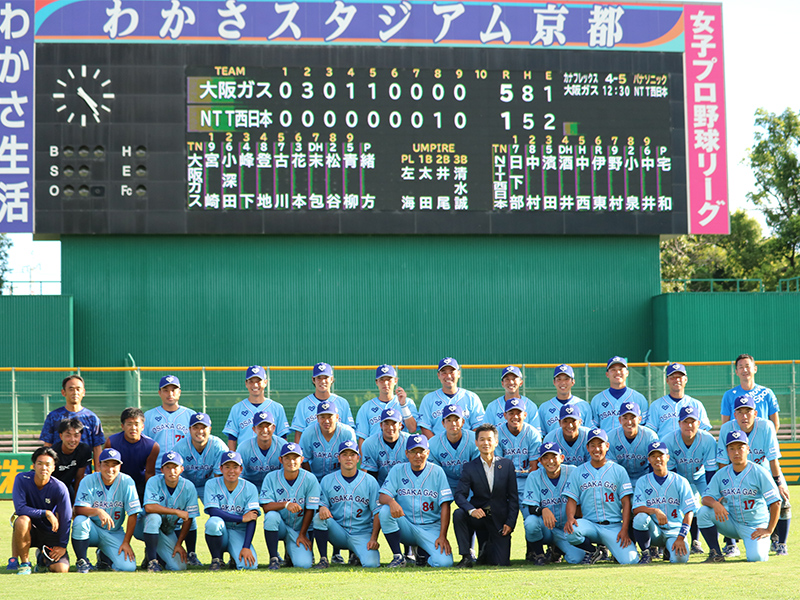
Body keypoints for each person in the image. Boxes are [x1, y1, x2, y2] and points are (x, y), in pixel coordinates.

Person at [716, 394, 791, 556]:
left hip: (764, 473)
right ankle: (730, 544)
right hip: (735, 474)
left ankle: (780, 543)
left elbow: (773, 460)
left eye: (748, 411)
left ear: (755, 413)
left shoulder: (766, 426)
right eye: (740, 412)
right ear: (734, 414)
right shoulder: (726, 428)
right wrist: (722, 488)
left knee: (783, 499)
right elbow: (722, 461)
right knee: (726, 502)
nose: (744, 416)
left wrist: (779, 482)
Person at [698, 431, 781, 563]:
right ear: (727, 451)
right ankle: (716, 553)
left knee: (757, 558)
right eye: (732, 449)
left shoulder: (759, 471)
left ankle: (761, 543)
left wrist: (769, 530)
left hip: (755, 526)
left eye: (740, 448)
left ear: (748, 449)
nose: (736, 452)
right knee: (703, 512)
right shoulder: (721, 474)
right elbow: (705, 498)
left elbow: (775, 502)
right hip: (731, 522)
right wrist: (715, 504)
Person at [563, 428, 638, 565]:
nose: (596, 449)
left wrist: (624, 529)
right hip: (590, 525)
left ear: (607, 447)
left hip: (613, 526)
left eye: (600, 445)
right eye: (593, 445)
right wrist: (570, 518)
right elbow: (572, 500)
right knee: (571, 531)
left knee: (631, 561)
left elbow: (626, 503)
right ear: (587, 448)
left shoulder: (618, 470)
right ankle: (594, 551)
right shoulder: (579, 471)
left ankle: (612, 550)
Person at [379, 434, 454, 568]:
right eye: (413, 451)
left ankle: (423, 553)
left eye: (421, 451)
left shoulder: (437, 472)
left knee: (444, 563)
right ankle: (398, 557)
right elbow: (383, 496)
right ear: (407, 453)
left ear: (428, 453)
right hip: (406, 526)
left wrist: (443, 536)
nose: (417, 455)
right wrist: (392, 502)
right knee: (385, 511)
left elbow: (445, 505)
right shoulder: (398, 470)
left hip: (431, 527)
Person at [453, 423, 518, 567]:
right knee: (459, 514)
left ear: (496, 442)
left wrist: (510, 523)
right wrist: (472, 510)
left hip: (499, 520)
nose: (485, 443)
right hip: (479, 516)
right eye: (482, 439)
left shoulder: (507, 465)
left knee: (500, 563)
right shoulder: (469, 467)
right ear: (476, 443)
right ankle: (465, 556)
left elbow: (513, 498)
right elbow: (459, 495)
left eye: (489, 439)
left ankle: (486, 549)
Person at [71, 448, 142, 573]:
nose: (110, 469)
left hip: (114, 532)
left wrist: (126, 542)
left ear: (120, 466)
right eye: (106, 464)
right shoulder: (88, 480)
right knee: (80, 521)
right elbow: (78, 509)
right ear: (99, 465)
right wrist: (97, 511)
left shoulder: (126, 481)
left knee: (128, 567)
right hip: (92, 529)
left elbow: (133, 514)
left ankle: (104, 556)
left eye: (114, 465)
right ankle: (82, 561)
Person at [313, 440, 381, 568]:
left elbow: (377, 512)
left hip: (362, 534)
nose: (348, 458)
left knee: (372, 564)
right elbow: (321, 503)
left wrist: (373, 538)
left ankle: (356, 553)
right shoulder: (328, 480)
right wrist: (322, 507)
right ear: (338, 458)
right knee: (319, 518)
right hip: (337, 532)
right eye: (344, 455)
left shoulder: (370, 481)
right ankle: (323, 558)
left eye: (352, 454)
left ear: (358, 458)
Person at [661, 406, 718, 554]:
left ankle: (708, 543)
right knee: (678, 505)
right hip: (678, 476)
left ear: (699, 423)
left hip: (700, 476)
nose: (689, 425)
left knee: (711, 502)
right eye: (685, 421)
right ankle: (669, 541)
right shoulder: (669, 440)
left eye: (692, 421)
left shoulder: (707, 439)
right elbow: (670, 473)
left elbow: (711, 471)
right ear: (679, 423)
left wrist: (710, 495)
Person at [172, 412, 227, 565]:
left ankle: (219, 556)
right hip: (186, 484)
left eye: (203, 427)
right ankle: (191, 554)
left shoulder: (218, 446)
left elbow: (218, 479)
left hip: (209, 484)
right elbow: (175, 475)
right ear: (189, 430)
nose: (200, 431)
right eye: (196, 427)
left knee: (218, 515)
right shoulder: (181, 447)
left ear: (210, 429)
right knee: (187, 514)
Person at [632, 442, 697, 564]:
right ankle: (646, 553)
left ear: (667, 457)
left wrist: (681, 538)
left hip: (674, 531)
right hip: (653, 530)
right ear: (649, 459)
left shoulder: (680, 481)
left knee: (680, 559)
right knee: (640, 518)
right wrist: (655, 511)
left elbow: (689, 512)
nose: (657, 459)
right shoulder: (643, 481)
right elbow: (636, 509)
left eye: (661, 455)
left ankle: (669, 548)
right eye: (653, 456)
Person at [10, 447, 72, 574]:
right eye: (40, 464)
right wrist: (46, 513)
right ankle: (25, 564)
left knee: (61, 569)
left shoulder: (59, 487)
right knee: (22, 520)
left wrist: (62, 546)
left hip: (51, 532)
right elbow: (20, 508)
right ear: (33, 465)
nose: (44, 468)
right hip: (30, 529)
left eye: (48, 464)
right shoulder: (21, 479)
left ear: (54, 468)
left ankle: (42, 559)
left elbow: (66, 518)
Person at [260, 443, 320, 570]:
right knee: (271, 516)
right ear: (280, 460)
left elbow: (311, 509)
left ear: (302, 460)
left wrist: (303, 534)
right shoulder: (271, 477)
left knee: (304, 564)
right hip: (280, 525)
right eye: (287, 458)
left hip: (298, 529)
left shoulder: (310, 479)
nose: (291, 461)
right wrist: (285, 504)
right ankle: (273, 558)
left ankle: (290, 553)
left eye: (295, 457)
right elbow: (266, 507)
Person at [523, 442, 584, 565]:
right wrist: (543, 510)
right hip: (546, 528)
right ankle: (539, 555)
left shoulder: (573, 472)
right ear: (540, 460)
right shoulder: (534, 476)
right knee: (530, 522)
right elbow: (531, 507)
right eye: (546, 458)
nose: (550, 461)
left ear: (561, 458)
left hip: (567, 528)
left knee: (577, 558)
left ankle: (557, 550)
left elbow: (582, 502)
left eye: (554, 457)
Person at [142, 452, 199, 572]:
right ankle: (152, 562)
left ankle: (153, 553)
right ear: (162, 469)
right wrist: (176, 512)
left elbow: (189, 519)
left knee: (179, 567)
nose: (171, 471)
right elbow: (149, 507)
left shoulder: (188, 487)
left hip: (167, 530)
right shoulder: (154, 481)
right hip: (144, 526)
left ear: (181, 469)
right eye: (168, 467)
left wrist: (179, 544)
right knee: (154, 518)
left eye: (175, 467)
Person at [203, 451, 260, 571]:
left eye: (235, 467)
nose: (231, 471)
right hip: (221, 530)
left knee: (249, 566)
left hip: (239, 532)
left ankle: (235, 557)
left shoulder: (250, 488)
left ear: (241, 469)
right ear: (221, 468)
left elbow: (252, 518)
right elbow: (213, 511)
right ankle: (216, 559)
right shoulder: (211, 484)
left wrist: (246, 547)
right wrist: (241, 518)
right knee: (213, 523)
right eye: (227, 467)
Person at [40, 375, 105, 468]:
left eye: (78, 389)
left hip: (84, 473)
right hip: (59, 472)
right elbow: (47, 445)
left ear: (84, 392)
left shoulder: (92, 418)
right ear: (63, 392)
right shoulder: (53, 417)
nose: (75, 392)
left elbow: (97, 447)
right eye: (71, 389)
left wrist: (98, 472)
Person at [223, 365, 290, 452]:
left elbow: (283, 437)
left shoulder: (277, 408)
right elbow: (232, 438)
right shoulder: (237, 408)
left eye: (258, 381)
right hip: (244, 456)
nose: (255, 385)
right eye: (251, 381)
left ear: (265, 382)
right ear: (246, 383)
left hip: (272, 458)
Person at [417, 357, 485, 438]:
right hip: (437, 449)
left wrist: (467, 444)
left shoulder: (472, 398)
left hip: (468, 448)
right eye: (444, 372)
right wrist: (437, 445)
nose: (448, 376)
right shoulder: (428, 399)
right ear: (438, 375)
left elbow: (478, 426)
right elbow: (425, 427)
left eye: (452, 372)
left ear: (459, 373)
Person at [290, 362, 355, 443]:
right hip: (312, 452)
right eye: (319, 378)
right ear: (313, 380)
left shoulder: (342, 403)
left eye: (326, 377)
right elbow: (299, 433)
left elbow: (349, 432)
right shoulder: (303, 404)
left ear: (331, 379)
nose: (322, 381)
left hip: (339, 452)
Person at [105, 407, 159, 503]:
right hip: (117, 483)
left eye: (136, 424)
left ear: (142, 427)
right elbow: (106, 467)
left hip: (140, 485)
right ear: (122, 426)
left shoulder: (152, 446)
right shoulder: (111, 442)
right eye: (129, 424)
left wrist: (149, 496)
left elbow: (149, 473)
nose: (133, 428)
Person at [355, 364, 417, 446]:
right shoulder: (366, 408)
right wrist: (364, 458)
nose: (385, 383)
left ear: (395, 381)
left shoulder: (407, 402)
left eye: (389, 379)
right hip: (375, 453)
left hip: (401, 453)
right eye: (382, 379)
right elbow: (362, 438)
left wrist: (403, 405)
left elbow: (412, 429)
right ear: (376, 382)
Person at [646, 363, 712, 438]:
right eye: (672, 377)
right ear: (667, 380)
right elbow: (651, 431)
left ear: (686, 379)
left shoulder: (696, 404)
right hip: (664, 447)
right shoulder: (656, 405)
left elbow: (703, 430)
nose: (677, 380)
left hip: (690, 448)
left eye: (680, 377)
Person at [299, 401, 358, 483]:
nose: (326, 421)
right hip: (315, 479)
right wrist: (311, 481)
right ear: (317, 418)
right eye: (322, 417)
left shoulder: (347, 432)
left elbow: (352, 459)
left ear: (337, 417)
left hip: (341, 480)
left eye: (330, 417)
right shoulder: (308, 433)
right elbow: (303, 460)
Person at [144, 375, 196, 463]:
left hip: (184, 468)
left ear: (179, 392)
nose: (170, 394)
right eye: (165, 390)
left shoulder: (191, 415)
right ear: (159, 393)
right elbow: (143, 444)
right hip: (156, 468)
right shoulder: (149, 415)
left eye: (173, 390)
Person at [606, 402, 658, 489]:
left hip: (645, 478)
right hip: (620, 480)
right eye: (625, 418)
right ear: (619, 420)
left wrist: (651, 485)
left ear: (640, 419)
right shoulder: (611, 437)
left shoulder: (650, 436)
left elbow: (654, 466)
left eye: (633, 417)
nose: (629, 422)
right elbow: (611, 468)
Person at [721, 354, 780, 430]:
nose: (744, 370)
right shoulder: (729, 395)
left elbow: (775, 424)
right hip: (738, 440)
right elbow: (725, 426)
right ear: (736, 372)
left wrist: (767, 440)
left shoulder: (766, 393)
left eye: (747, 366)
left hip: (761, 440)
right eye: (741, 367)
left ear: (755, 369)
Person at [590, 357, 649, 432]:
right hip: (606, 442)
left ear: (627, 373)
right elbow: (594, 427)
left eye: (621, 369)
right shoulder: (597, 400)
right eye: (613, 370)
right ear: (607, 374)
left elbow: (643, 426)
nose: (617, 372)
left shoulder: (639, 398)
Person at [428, 404, 479, 492]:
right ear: (443, 423)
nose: (453, 424)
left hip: (471, 482)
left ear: (463, 422)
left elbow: (478, 468)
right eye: (449, 420)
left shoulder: (474, 438)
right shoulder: (433, 443)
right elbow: (434, 473)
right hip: (445, 483)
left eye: (456, 420)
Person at [538, 365, 594, 437]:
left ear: (573, 382)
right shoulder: (544, 407)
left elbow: (589, 433)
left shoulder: (584, 405)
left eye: (566, 379)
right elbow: (541, 435)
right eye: (559, 379)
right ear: (554, 382)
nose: (563, 383)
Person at [483, 366, 541, 434]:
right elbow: (485, 433)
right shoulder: (492, 407)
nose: (511, 382)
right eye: (507, 379)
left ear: (521, 383)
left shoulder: (530, 406)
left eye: (514, 379)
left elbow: (536, 434)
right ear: (502, 383)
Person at [360, 408, 410, 486]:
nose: (390, 428)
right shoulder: (370, 443)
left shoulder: (409, 442)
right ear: (381, 425)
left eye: (394, 423)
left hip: (406, 487)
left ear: (400, 425)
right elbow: (372, 474)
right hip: (381, 486)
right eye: (386, 423)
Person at [238, 411, 287, 490]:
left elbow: (286, 474)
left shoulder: (282, 445)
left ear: (274, 428)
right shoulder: (244, 448)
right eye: (260, 426)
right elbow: (239, 476)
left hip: (276, 488)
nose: (264, 430)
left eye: (268, 426)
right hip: (249, 487)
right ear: (254, 429)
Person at [51, 418, 92, 503]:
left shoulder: (84, 450)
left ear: (80, 436)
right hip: (51, 487)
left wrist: (77, 501)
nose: (72, 440)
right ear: (61, 436)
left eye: (76, 435)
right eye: (68, 435)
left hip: (67, 485)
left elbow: (79, 477)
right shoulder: (52, 453)